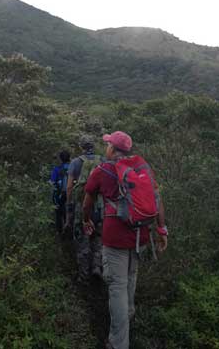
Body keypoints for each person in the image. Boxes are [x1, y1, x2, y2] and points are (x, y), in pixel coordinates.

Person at [82, 131, 168, 349]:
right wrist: (162, 229)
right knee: (130, 277)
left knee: (117, 286)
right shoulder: (142, 168)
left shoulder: (102, 170)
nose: (106, 147)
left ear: (112, 149)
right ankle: (128, 315)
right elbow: (157, 199)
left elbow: (88, 199)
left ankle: (118, 343)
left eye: (108, 144)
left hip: (115, 239)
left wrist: (86, 219)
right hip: (140, 235)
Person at [65, 135, 104, 284]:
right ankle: (96, 267)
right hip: (100, 207)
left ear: (81, 147)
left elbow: (69, 187)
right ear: (93, 146)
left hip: (81, 207)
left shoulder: (75, 162)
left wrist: (69, 206)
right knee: (98, 238)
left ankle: (84, 276)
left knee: (83, 239)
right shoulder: (102, 161)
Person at [49, 150, 71, 235]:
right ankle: (69, 231)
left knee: (58, 214)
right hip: (71, 194)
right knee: (69, 212)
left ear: (61, 159)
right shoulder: (73, 167)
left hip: (59, 195)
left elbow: (52, 182)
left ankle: (60, 232)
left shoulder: (56, 169)